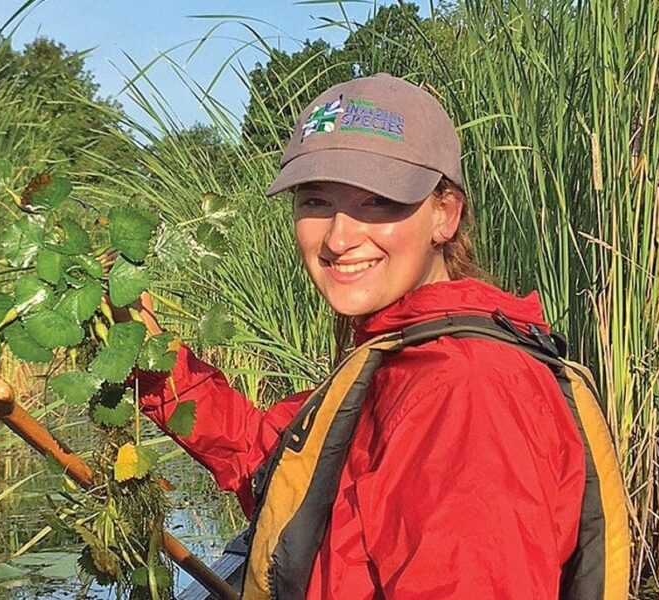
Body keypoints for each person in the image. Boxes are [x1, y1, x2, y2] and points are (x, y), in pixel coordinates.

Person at [126, 74, 609, 599]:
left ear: (444, 214)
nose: (337, 236)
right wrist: (150, 355)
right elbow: (274, 466)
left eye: (376, 202)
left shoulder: (464, 390)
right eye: (314, 201)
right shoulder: (402, 352)